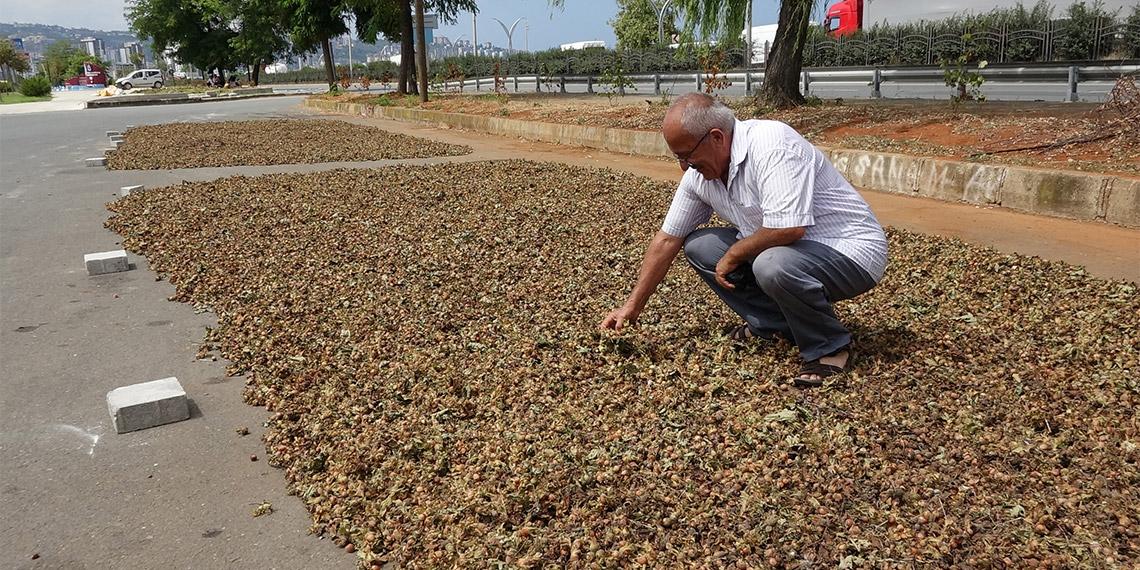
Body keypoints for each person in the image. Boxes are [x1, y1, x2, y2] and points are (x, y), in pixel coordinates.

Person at [601, 92, 888, 387]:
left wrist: (735, 254)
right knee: (701, 246)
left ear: (716, 137)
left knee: (770, 264)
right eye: (679, 158)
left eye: (687, 156)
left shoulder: (771, 144)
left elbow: (788, 229)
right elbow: (667, 239)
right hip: (790, 253)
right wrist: (631, 307)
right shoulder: (701, 175)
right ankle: (775, 325)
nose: (684, 167)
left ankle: (829, 346)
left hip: (850, 250)